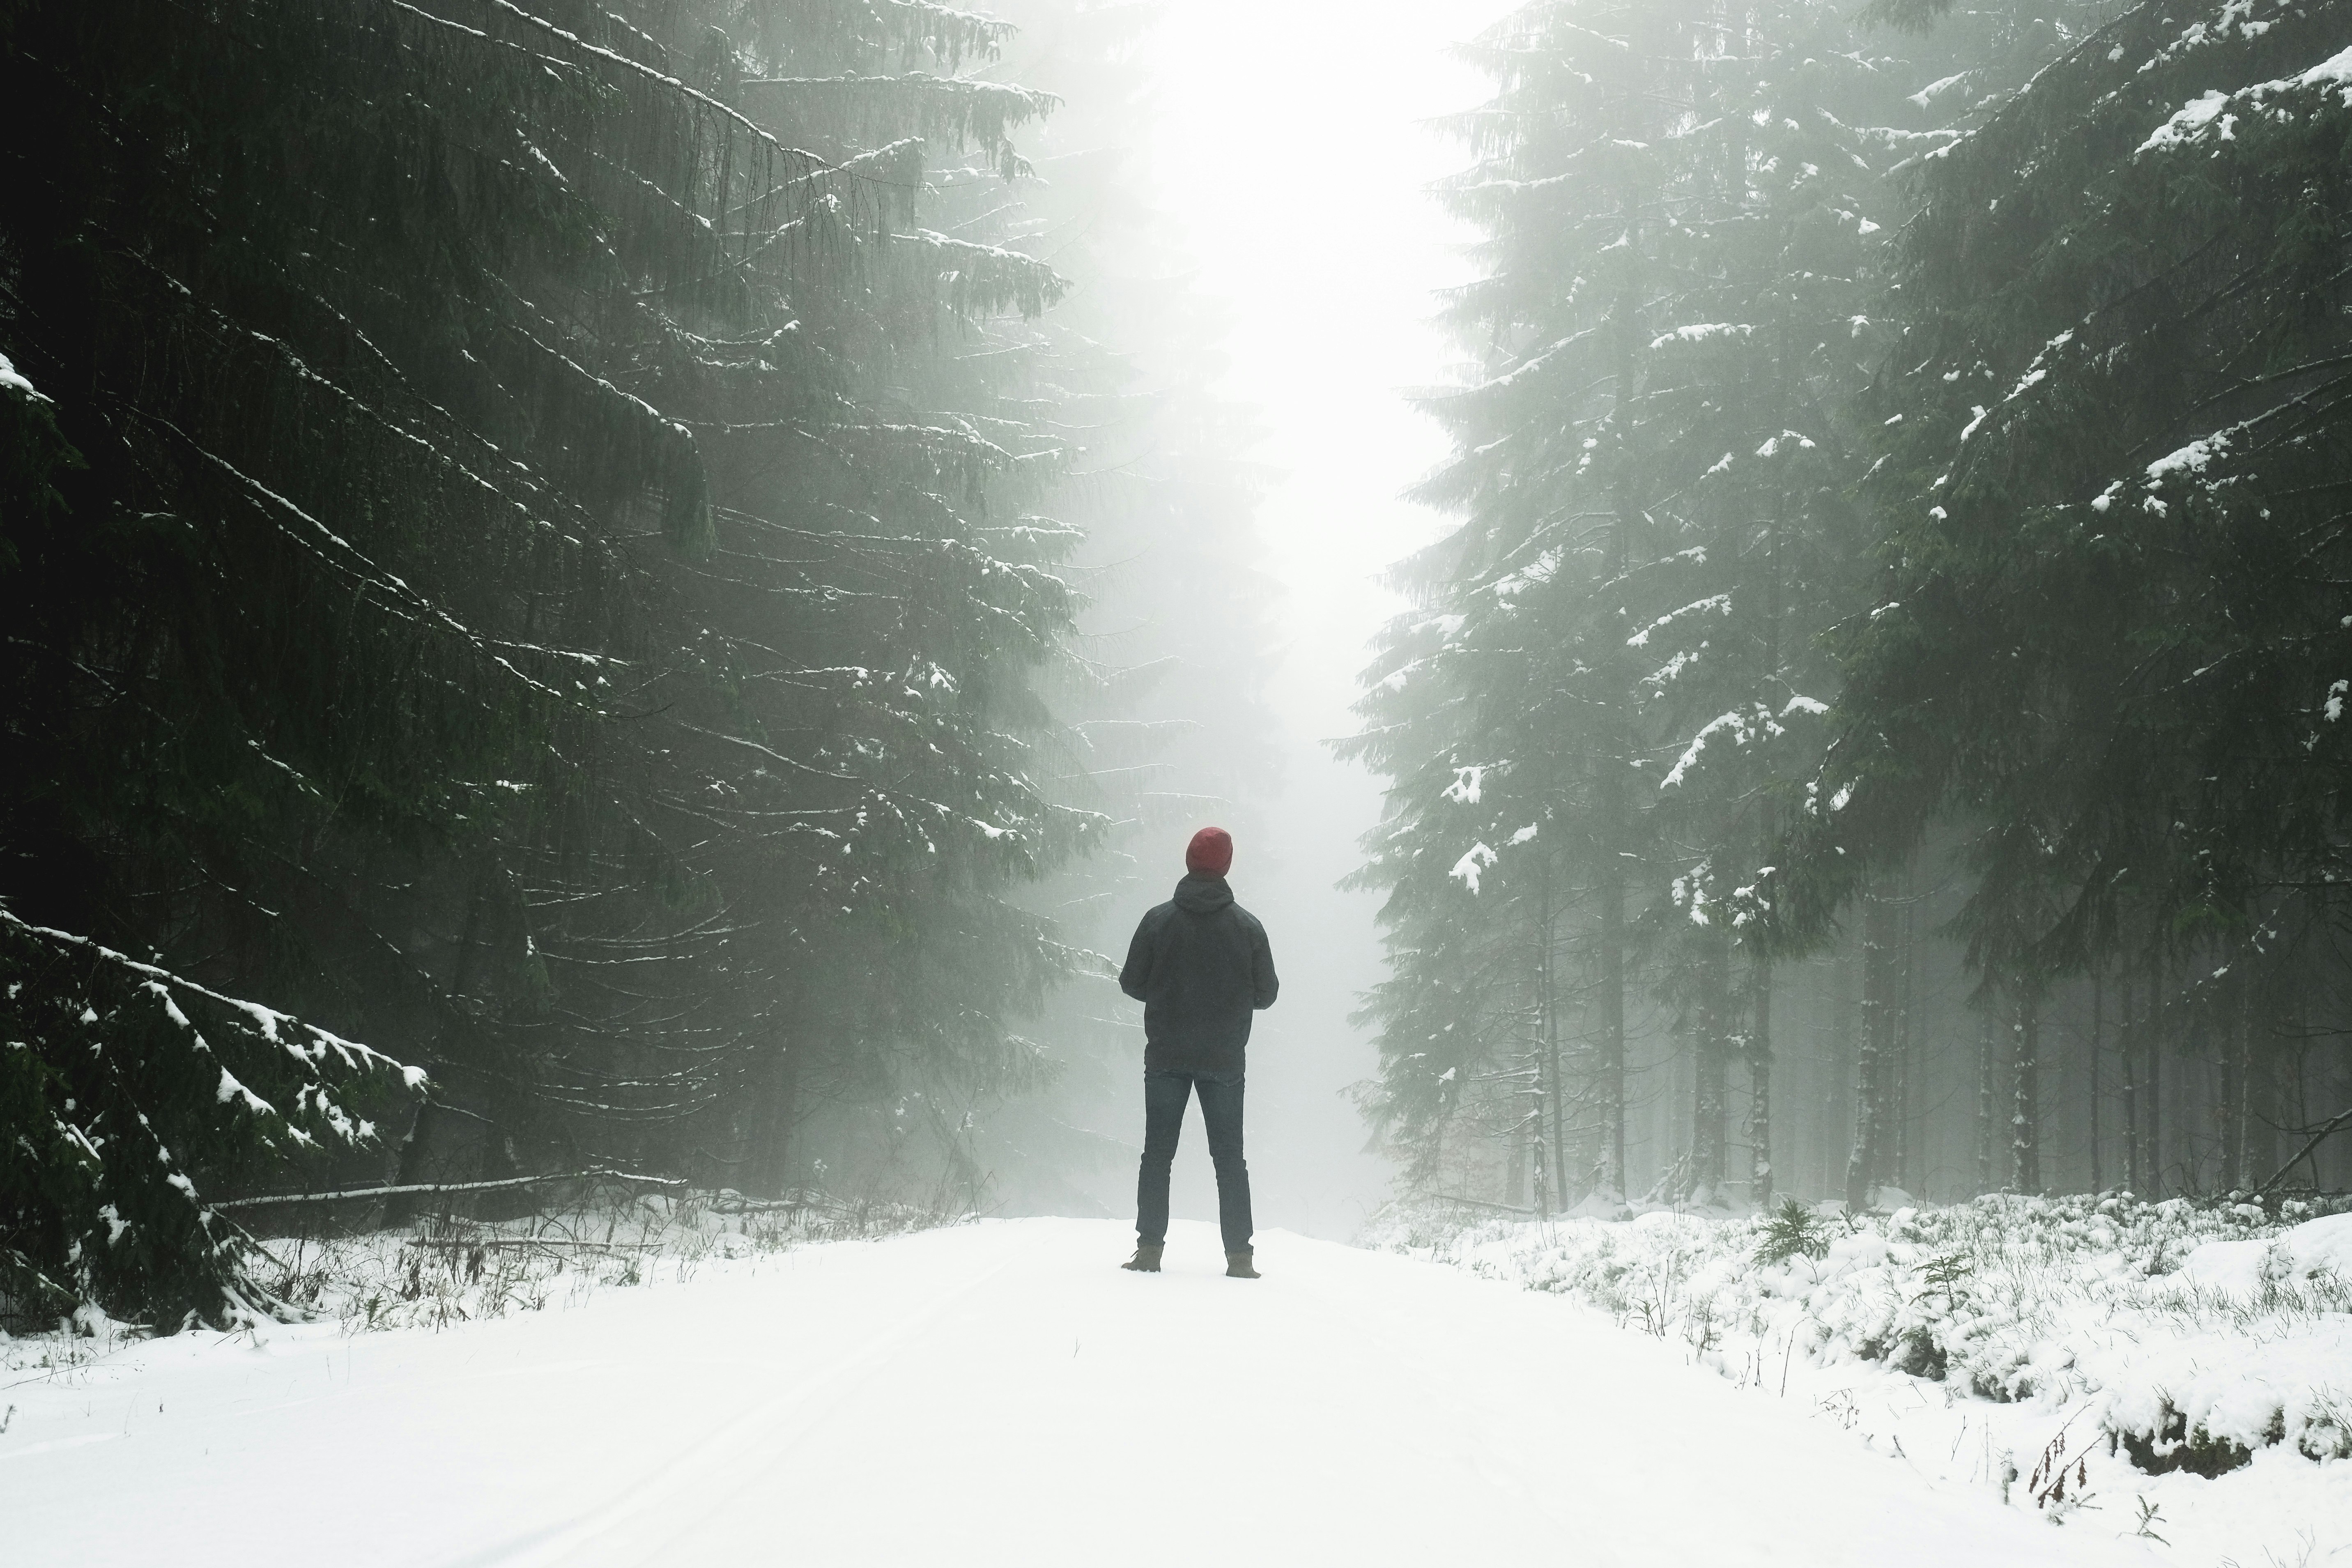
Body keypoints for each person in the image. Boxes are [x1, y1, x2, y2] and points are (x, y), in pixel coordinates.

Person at [1116, 825, 1279, 1278]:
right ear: (1226, 866)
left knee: (1158, 1155)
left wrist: (1169, 992)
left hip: (1166, 1055)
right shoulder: (1248, 927)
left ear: (1188, 861)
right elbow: (1267, 994)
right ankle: (1240, 1258)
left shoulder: (1157, 920)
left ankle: (1149, 1250)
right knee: (1230, 1158)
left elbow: (1131, 981)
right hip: (1224, 1060)